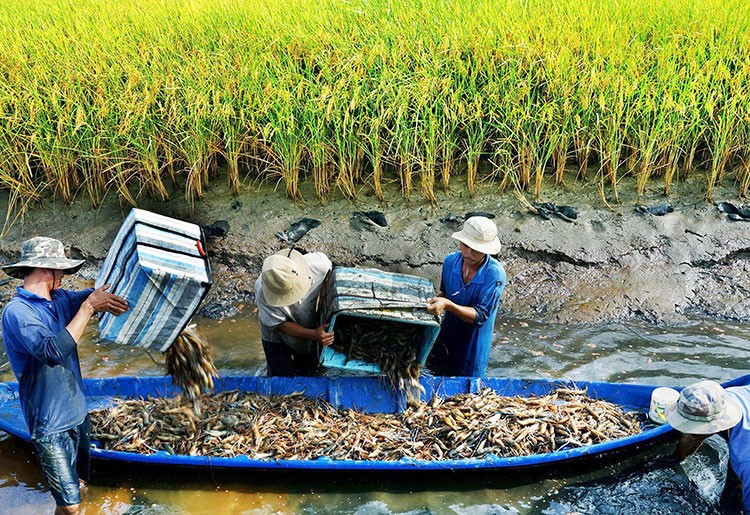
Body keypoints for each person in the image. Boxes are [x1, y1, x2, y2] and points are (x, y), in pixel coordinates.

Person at [1, 237, 129, 515]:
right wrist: (88, 309)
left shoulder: (58, 299)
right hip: (50, 424)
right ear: (47, 270)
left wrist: (105, 293)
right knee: (70, 507)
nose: (63, 276)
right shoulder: (18, 312)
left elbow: (87, 295)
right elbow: (52, 351)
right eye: (60, 271)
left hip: (78, 414)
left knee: (79, 485)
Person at [425, 216, 506, 377]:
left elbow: (480, 316)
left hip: (473, 346)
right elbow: (445, 293)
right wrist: (434, 301)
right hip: (446, 338)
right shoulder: (450, 262)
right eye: (466, 246)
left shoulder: (495, 274)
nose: (469, 254)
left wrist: (448, 305)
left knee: (464, 393)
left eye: (476, 249)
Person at [666, 380, 750, 513]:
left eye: (694, 427)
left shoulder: (745, 460)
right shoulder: (721, 400)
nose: (691, 431)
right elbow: (694, 437)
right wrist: (672, 461)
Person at [255, 248, 334, 376]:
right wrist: (313, 334)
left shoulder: (319, 265)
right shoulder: (262, 291)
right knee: (279, 376)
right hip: (276, 335)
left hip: (309, 322)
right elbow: (280, 325)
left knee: (309, 371)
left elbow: (329, 278)